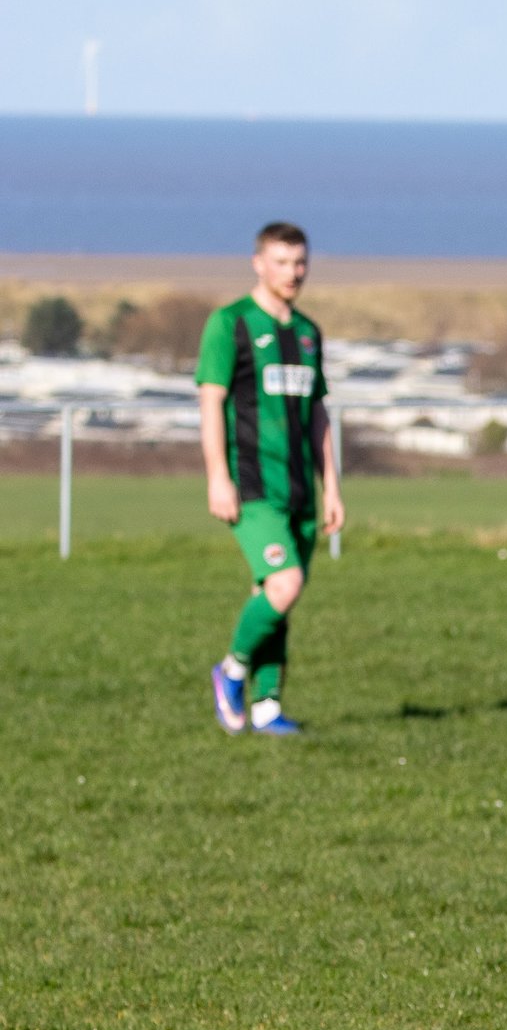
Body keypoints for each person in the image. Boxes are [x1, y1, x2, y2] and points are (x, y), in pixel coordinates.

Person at [199, 222, 342, 736]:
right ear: (258, 262)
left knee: (276, 594)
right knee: (285, 584)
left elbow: (318, 413)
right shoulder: (230, 324)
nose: (293, 272)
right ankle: (230, 671)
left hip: (301, 488)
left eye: (300, 262)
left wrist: (333, 487)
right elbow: (211, 401)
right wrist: (218, 476)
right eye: (281, 262)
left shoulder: (307, 333)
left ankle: (267, 707)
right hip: (254, 487)